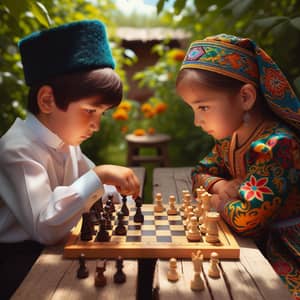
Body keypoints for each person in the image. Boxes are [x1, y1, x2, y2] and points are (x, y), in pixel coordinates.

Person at [0, 20, 140, 299]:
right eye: (91, 110)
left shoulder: (65, 142)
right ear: (48, 100)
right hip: (17, 266)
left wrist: (114, 191)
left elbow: (93, 189)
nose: (96, 125)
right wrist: (99, 176)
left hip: (53, 253)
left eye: (102, 114)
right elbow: (44, 227)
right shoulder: (16, 150)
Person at [176, 34, 300, 299]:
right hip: (248, 244)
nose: (197, 120)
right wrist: (221, 184)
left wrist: (215, 202)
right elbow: (198, 172)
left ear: (245, 97)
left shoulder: (277, 146)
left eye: (204, 107)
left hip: (286, 250)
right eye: (193, 109)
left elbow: (246, 220)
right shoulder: (228, 141)